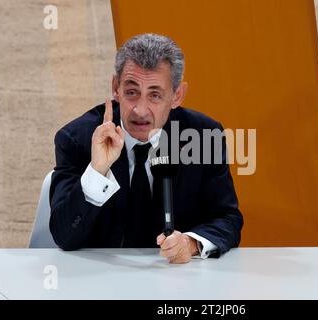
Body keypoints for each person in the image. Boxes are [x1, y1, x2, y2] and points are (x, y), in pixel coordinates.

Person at [49, 33, 243, 264]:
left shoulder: (202, 136)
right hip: (99, 280)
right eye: (131, 93)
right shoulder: (77, 138)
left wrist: (191, 244)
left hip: (178, 283)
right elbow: (64, 236)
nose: (140, 110)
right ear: (115, 88)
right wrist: (97, 170)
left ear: (177, 96)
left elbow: (227, 217)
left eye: (155, 95)